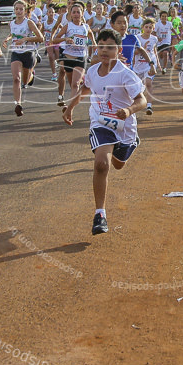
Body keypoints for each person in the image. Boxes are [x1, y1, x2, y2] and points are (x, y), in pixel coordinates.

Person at [62, 28, 148, 236]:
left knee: (118, 164)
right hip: (101, 123)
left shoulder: (126, 74)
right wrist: (70, 107)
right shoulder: (92, 71)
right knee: (102, 164)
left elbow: (142, 101)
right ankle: (100, 214)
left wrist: (128, 110)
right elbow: (85, 90)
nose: (104, 50)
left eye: (110, 47)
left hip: (125, 128)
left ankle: (131, 143)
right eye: (101, 46)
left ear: (119, 50)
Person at [6, 0, 44, 116]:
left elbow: (40, 38)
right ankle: (18, 103)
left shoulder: (29, 23)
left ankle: (31, 76)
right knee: (16, 78)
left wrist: (25, 39)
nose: (18, 11)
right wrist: (6, 40)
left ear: (25, 10)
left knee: (25, 80)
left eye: (21, 9)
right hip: (16, 53)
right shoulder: (11, 23)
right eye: (16, 9)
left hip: (28, 52)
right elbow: (12, 34)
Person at [53, 2, 95, 107]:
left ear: (82, 13)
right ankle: (71, 103)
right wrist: (65, 39)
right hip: (68, 57)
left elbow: (91, 34)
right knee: (72, 83)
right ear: (71, 14)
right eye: (74, 12)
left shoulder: (85, 27)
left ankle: (69, 108)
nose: (76, 14)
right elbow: (55, 39)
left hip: (81, 57)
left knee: (75, 84)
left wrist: (94, 43)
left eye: (78, 12)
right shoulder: (68, 26)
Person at [131, 17, 159, 115]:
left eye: (150, 27)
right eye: (146, 27)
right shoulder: (137, 38)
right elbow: (133, 53)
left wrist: (156, 64)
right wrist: (141, 50)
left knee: (148, 83)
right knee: (137, 87)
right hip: (138, 66)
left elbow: (154, 51)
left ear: (153, 29)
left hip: (149, 64)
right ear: (142, 27)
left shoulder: (154, 39)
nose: (148, 29)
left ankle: (149, 106)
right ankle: (134, 105)